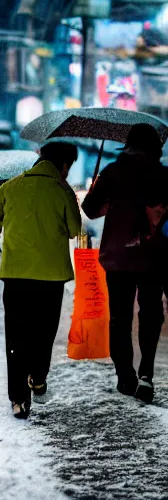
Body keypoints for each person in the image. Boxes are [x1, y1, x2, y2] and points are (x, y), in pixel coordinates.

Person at [0, 142, 81, 419]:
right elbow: (76, 230)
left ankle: (18, 400)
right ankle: (38, 377)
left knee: (16, 337)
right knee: (44, 332)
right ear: (64, 165)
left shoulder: (10, 187)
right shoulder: (62, 190)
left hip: (15, 276)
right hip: (51, 278)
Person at [82, 123, 168, 404]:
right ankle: (146, 375)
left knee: (120, 318)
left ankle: (124, 374)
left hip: (119, 257)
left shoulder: (112, 172)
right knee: (151, 314)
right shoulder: (163, 174)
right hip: (154, 256)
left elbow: (91, 210)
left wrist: (98, 184)